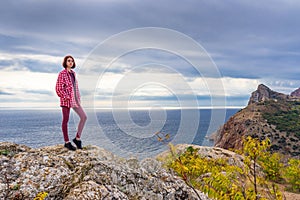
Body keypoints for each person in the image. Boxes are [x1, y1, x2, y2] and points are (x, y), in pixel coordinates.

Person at [55, 55, 87, 151]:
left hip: (74, 100)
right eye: (69, 61)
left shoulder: (73, 73)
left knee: (84, 117)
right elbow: (58, 88)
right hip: (66, 100)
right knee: (66, 120)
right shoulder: (62, 74)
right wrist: (67, 97)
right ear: (65, 62)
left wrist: (77, 97)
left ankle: (77, 139)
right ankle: (67, 142)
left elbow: (75, 87)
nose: (70, 62)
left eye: (72, 61)